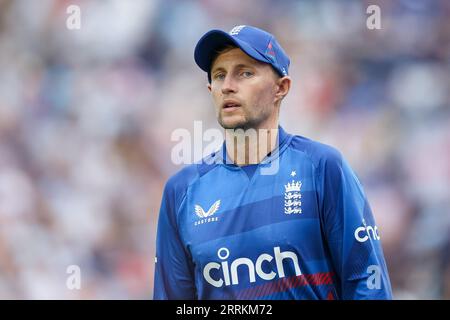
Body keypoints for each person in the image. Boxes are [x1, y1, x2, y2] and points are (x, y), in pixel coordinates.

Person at [153, 25, 392, 300]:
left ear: (281, 87)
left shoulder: (322, 167)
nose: (228, 85)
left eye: (245, 73)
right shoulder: (181, 192)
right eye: (219, 76)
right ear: (211, 90)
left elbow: (367, 281)